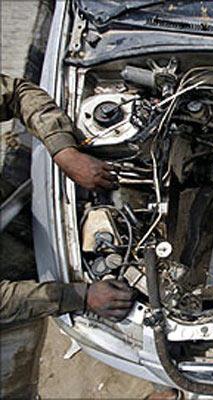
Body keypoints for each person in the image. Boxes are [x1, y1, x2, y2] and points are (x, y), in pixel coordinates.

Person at [0, 74, 136, 398]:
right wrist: (80, 296)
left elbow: (17, 92)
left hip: (16, 210)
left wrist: (64, 152)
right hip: (14, 287)